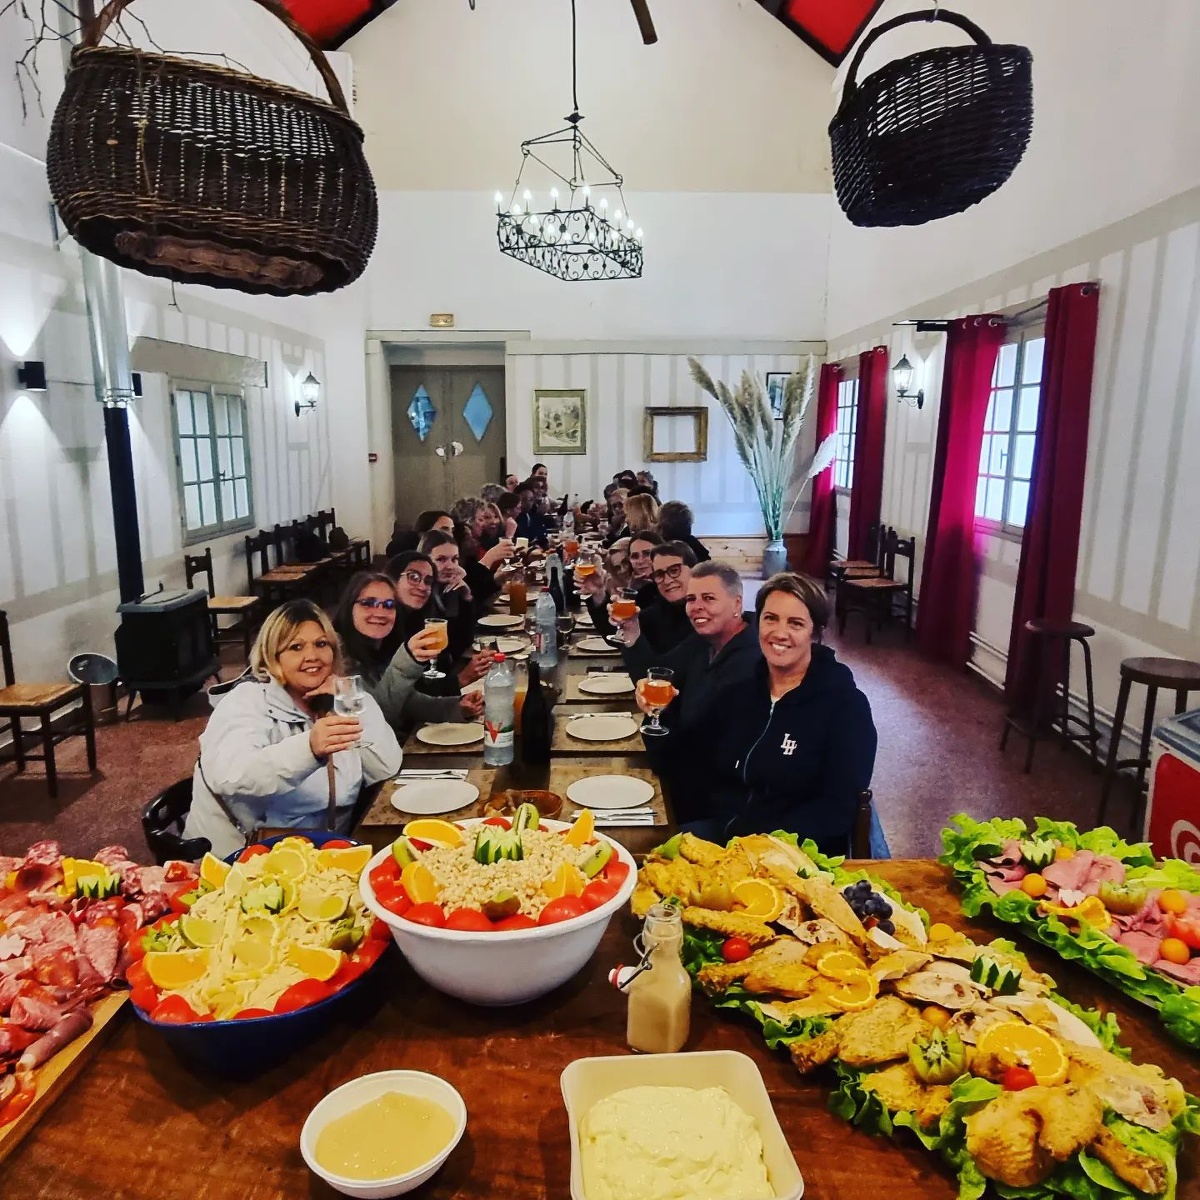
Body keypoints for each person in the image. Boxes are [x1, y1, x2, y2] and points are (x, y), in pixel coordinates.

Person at [185, 600, 403, 859]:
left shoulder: (330, 701)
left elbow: (385, 767)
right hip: (240, 864)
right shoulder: (246, 701)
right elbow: (231, 775)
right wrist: (309, 748)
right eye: (295, 647)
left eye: (321, 644)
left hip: (318, 854)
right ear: (272, 656)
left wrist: (354, 702)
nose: (312, 656)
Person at [703, 572, 877, 856]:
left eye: (795, 623)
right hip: (728, 840)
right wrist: (656, 715)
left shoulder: (847, 707)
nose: (779, 633)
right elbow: (698, 761)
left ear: (815, 632)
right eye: (771, 618)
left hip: (798, 860)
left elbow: (836, 809)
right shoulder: (740, 692)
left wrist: (763, 848)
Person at [626, 562, 761, 822]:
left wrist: (660, 722)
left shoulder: (750, 663)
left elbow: (697, 742)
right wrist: (646, 687)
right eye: (691, 599)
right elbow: (659, 674)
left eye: (708, 598)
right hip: (682, 780)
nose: (696, 607)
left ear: (736, 604)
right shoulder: (704, 642)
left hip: (718, 811)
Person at [332, 572, 483, 735]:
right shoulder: (337, 658)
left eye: (389, 605)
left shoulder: (381, 649)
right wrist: (407, 661)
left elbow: (408, 702)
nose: (380, 613)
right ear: (349, 607)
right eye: (368, 603)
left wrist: (457, 707)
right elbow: (374, 722)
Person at [610, 541, 696, 653]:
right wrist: (598, 595)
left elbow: (669, 667)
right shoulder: (652, 615)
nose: (667, 580)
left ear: (694, 570)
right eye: (659, 574)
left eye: (674, 570)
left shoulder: (706, 616)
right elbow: (616, 640)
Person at [580, 531, 661, 638]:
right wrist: (598, 594)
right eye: (635, 556)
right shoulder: (642, 589)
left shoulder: (668, 587)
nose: (640, 561)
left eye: (647, 553)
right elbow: (614, 633)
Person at [384, 509, 454, 559]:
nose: (451, 535)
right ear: (426, 529)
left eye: (452, 530)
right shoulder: (404, 547)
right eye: (445, 529)